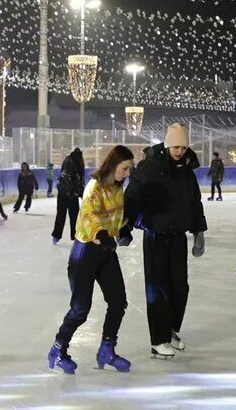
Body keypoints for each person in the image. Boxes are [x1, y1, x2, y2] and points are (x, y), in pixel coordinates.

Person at [47, 145, 136, 375]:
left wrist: (124, 229)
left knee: (118, 302)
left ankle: (107, 349)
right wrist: (102, 234)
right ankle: (58, 350)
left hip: (106, 252)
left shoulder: (118, 188)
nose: (127, 174)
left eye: (129, 170)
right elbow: (89, 217)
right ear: (114, 165)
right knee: (80, 310)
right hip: (86, 251)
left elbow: (116, 216)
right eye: (125, 169)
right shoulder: (94, 187)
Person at [124, 123, 208, 360]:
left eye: (183, 146)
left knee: (180, 287)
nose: (180, 151)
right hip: (156, 235)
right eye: (176, 146)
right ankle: (158, 340)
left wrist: (198, 231)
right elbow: (132, 197)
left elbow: (194, 202)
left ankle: (170, 330)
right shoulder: (150, 168)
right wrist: (125, 227)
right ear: (168, 144)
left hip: (178, 236)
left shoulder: (187, 172)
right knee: (158, 289)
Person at [52, 148, 86, 244]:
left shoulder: (79, 163)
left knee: (74, 216)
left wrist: (81, 193)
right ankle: (56, 236)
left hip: (71, 195)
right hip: (64, 194)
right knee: (61, 215)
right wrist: (79, 192)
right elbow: (66, 180)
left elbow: (81, 180)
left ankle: (75, 236)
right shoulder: (69, 163)